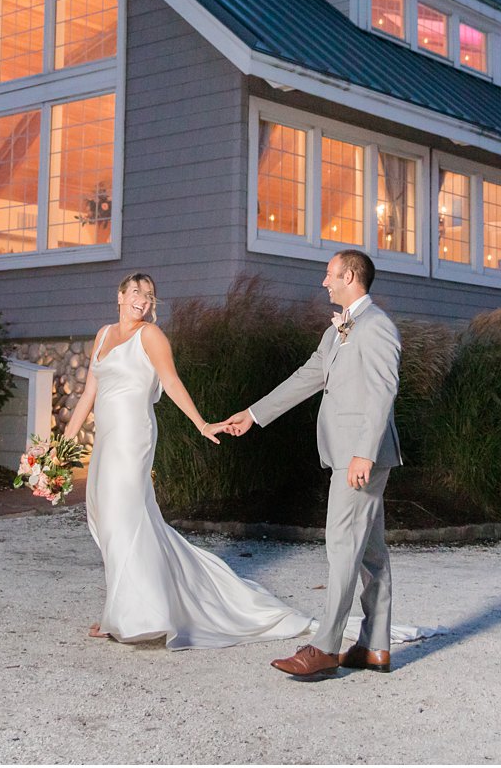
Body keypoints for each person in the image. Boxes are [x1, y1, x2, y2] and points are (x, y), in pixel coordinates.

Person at [60, 272, 313, 649]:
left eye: (149, 296)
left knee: (121, 518)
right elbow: (87, 397)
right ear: (119, 295)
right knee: (107, 519)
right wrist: (60, 449)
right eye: (135, 293)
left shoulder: (151, 336)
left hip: (133, 437)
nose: (142, 301)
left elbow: (173, 382)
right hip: (106, 441)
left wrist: (200, 423)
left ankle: (131, 616)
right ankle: (123, 609)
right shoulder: (102, 335)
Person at [223, 249, 403, 678]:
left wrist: (363, 452)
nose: (325, 282)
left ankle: (325, 646)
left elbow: (383, 392)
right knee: (370, 552)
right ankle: (374, 647)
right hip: (349, 452)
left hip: (360, 454)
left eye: (330, 275)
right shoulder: (337, 330)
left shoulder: (377, 326)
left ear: (351, 276)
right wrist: (253, 415)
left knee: (342, 545)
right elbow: (307, 377)